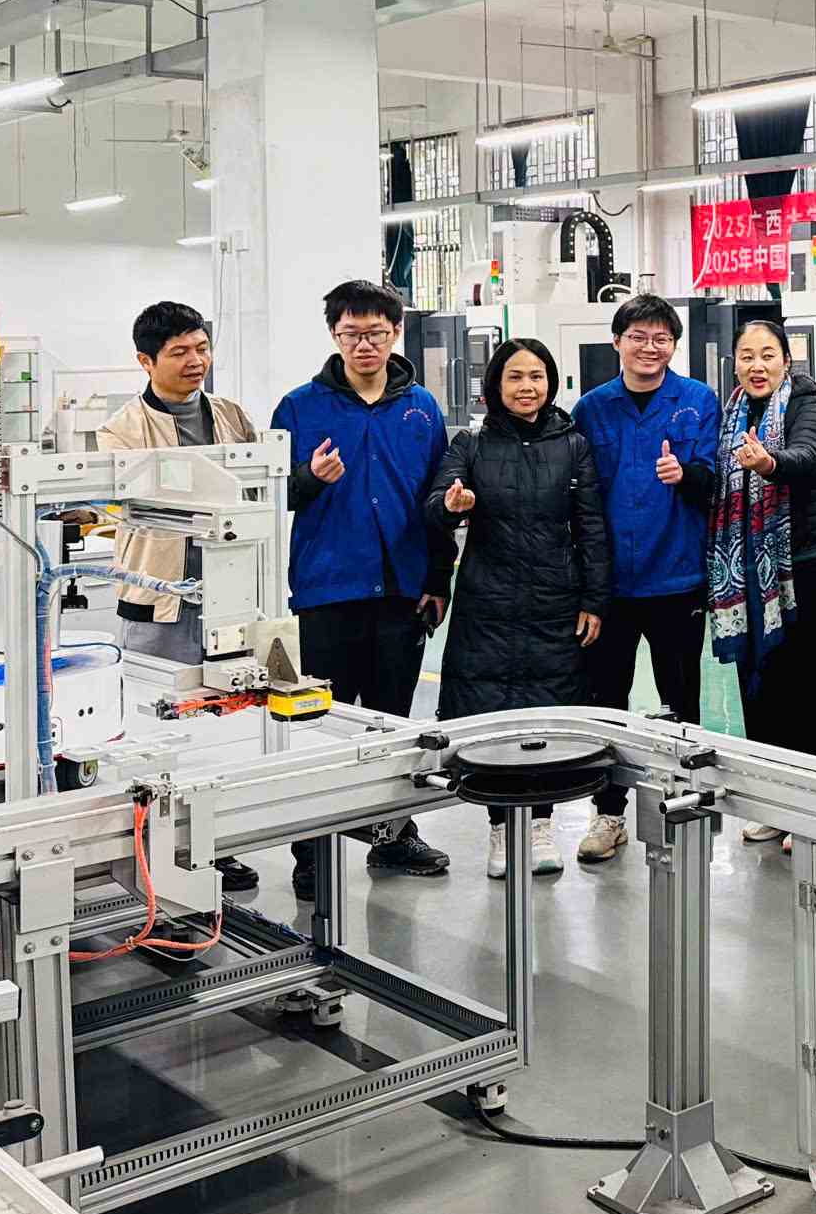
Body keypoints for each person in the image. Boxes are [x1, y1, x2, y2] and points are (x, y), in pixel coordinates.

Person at [273, 280, 456, 895]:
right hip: (328, 590)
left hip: (403, 590)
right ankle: (310, 849)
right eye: (352, 333)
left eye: (376, 333)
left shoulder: (422, 408)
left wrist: (438, 577)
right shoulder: (299, 408)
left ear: (395, 333)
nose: (364, 345)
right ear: (334, 335)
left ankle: (391, 835)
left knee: (392, 723)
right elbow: (272, 495)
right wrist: (309, 477)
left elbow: (437, 497)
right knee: (317, 724)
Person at [425, 337, 608, 882]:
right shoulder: (471, 444)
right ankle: (502, 828)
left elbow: (591, 526)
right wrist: (452, 507)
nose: (527, 387)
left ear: (550, 383)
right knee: (493, 717)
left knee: (546, 713)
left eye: (536, 376)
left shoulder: (573, 445)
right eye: (515, 377)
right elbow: (435, 506)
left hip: (555, 600)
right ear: (495, 386)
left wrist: (594, 599)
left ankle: (542, 824)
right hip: (488, 601)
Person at [98, 301, 261, 890]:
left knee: (225, 723)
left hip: (229, 596)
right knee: (157, 727)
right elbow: (117, 509)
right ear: (146, 361)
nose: (196, 361)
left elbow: (255, 487)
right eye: (179, 352)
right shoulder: (122, 429)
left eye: (202, 348)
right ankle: (154, 850)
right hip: (158, 601)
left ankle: (214, 846)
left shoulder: (232, 415)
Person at [573, 293, 722, 865]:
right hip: (609, 585)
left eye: (661, 338)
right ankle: (607, 813)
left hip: (676, 577)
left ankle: (685, 803)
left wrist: (685, 474)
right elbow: (579, 496)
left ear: (674, 346)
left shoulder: (697, 401)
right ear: (617, 342)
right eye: (637, 336)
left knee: (681, 699)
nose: (649, 347)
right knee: (605, 701)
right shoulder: (592, 409)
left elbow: (714, 479)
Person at [706, 320, 816, 847]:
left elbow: (809, 456)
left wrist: (769, 463)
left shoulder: (809, 407)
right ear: (735, 364)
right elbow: (717, 484)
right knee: (760, 684)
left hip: (803, 563)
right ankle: (773, 805)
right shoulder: (730, 415)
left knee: (809, 687)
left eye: (768, 354)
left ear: (787, 360)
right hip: (745, 569)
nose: (757, 365)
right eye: (747, 356)